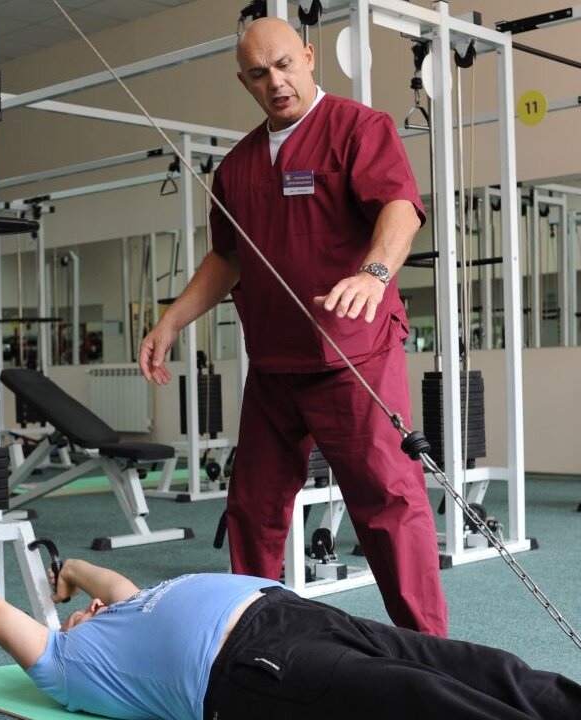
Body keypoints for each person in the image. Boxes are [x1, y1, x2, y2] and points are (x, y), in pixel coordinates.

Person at [139, 16, 447, 636]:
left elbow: (400, 208)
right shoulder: (236, 167)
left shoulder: (359, 128)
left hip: (352, 357)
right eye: (259, 73)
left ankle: (428, 651)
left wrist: (374, 274)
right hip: (274, 364)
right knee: (252, 508)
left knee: (387, 504)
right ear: (244, 81)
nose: (275, 82)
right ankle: (249, 641)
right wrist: (170, 321)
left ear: (308, 56)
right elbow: (227, 258)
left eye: (283, 65)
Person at [0, 561, 581, 720]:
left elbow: (109, 580)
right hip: (248, 673)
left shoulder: (126, 606)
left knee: (483, 667)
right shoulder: (67, 666)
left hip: (297, 616)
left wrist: (74, 575)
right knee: (425, 703)